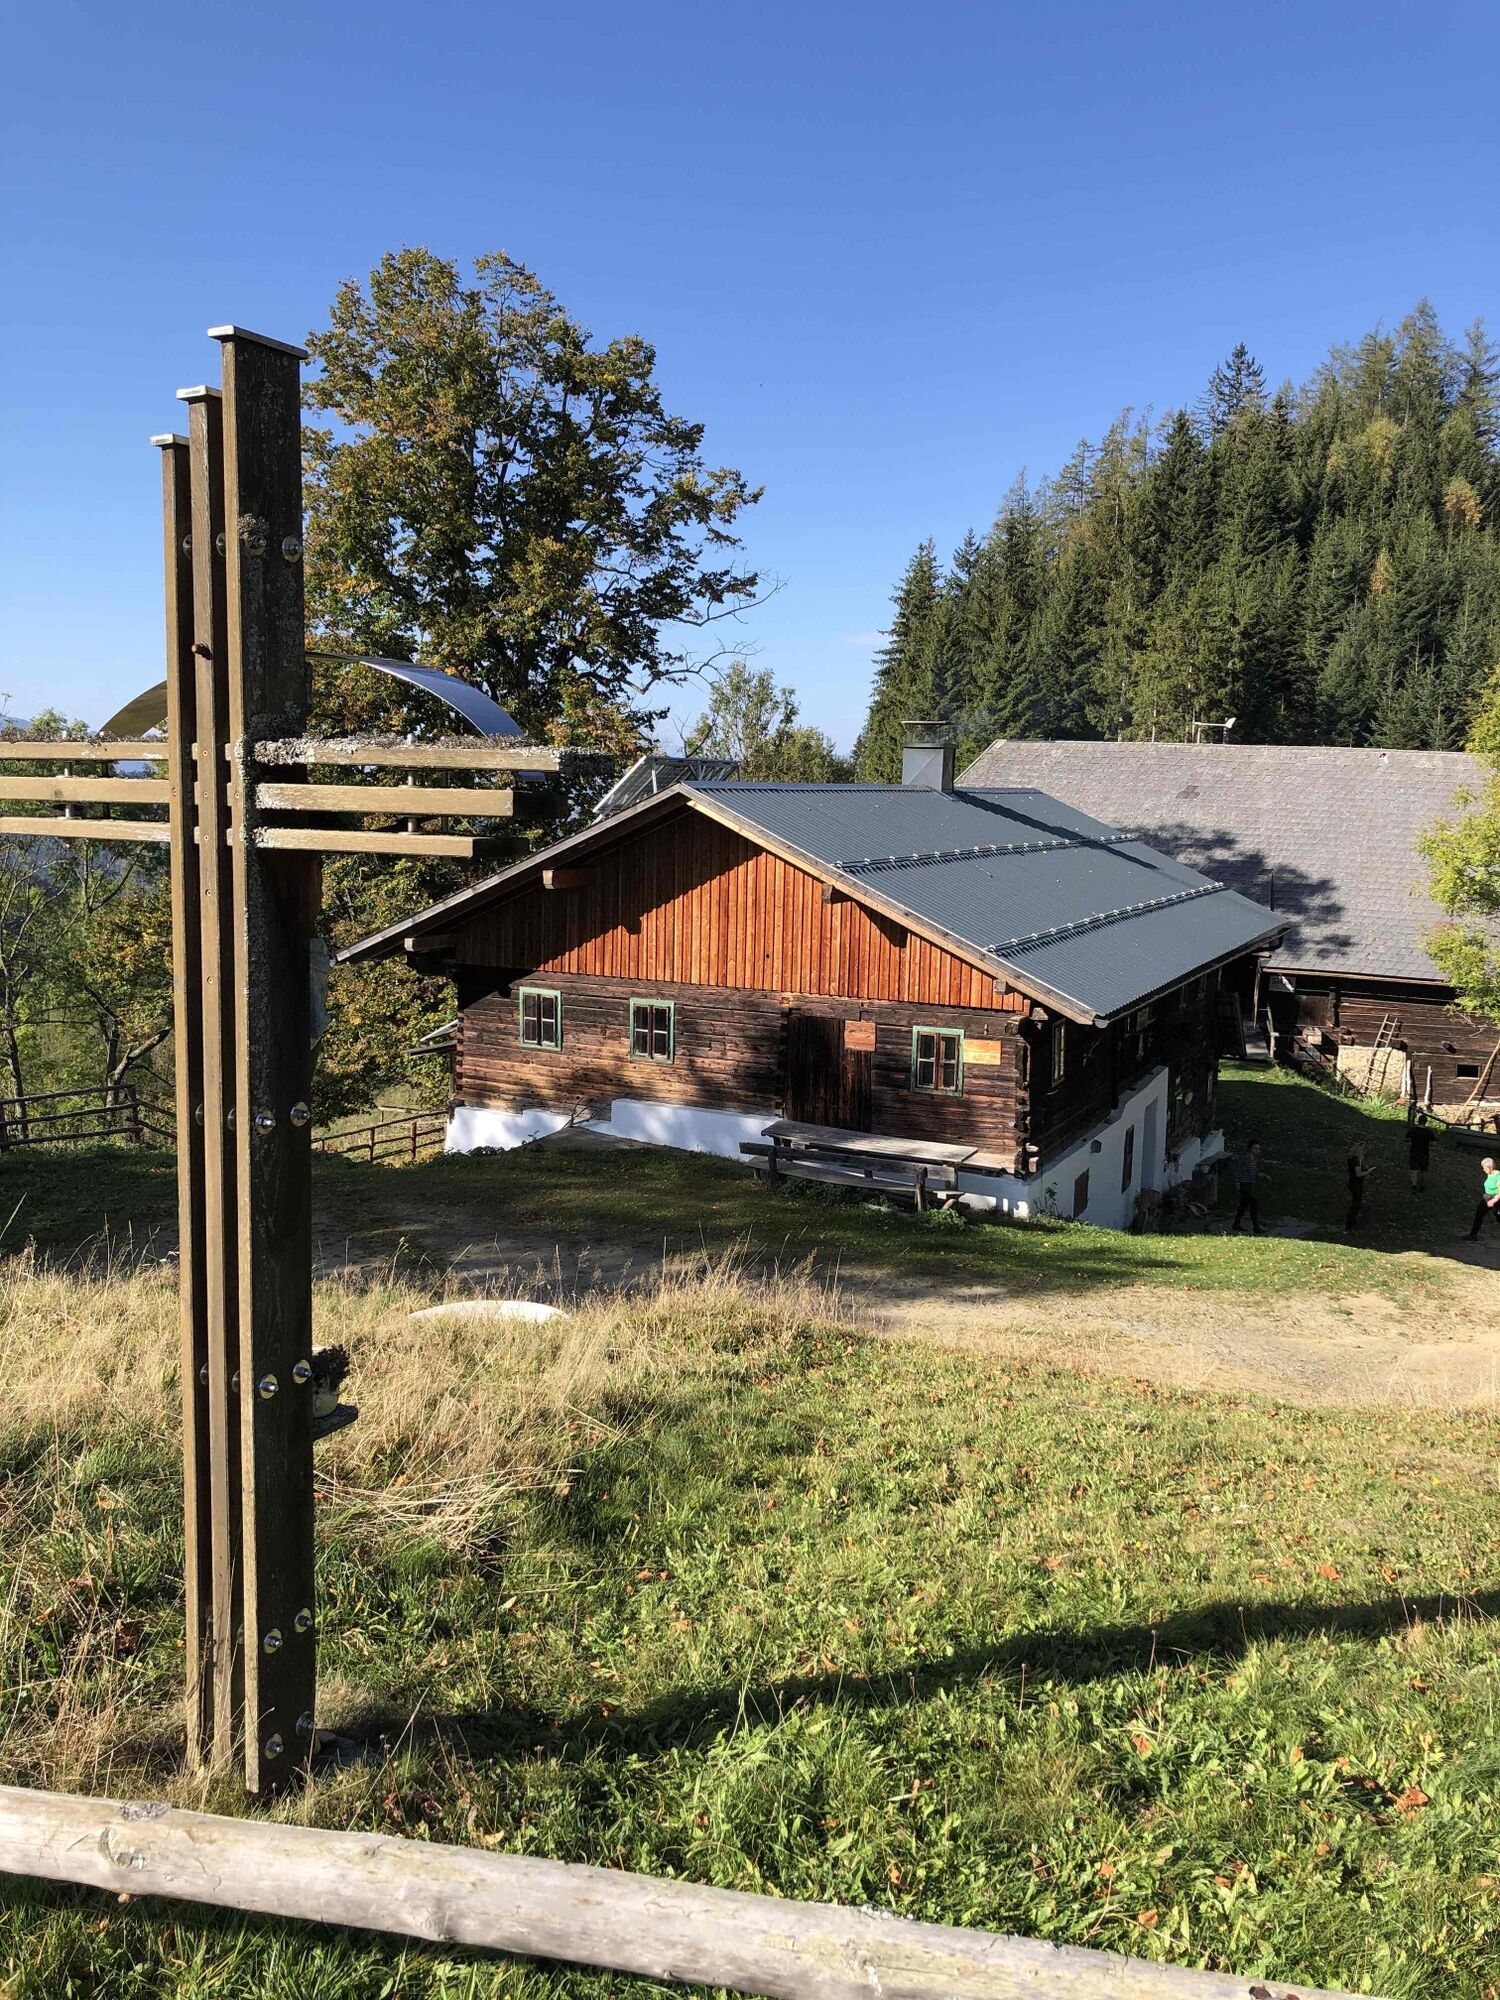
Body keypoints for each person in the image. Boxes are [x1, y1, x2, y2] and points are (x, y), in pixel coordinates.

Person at [1463, 1156, 1500, 1242]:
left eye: (1485, 1168)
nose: (1483, 1170)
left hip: (1496, 1199)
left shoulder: (1498, 1176)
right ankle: (1473, 1236)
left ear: (1490, 1167)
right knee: (1479, 1215)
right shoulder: (1489, 1174)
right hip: (1487, 1197)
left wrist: (1493, 1200)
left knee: (1499, 1218)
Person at [1232, 1139, 1264, 1235]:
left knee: (1244, 1204)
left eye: (1258, 1149)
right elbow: (1237, 1169)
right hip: (1243, 1183)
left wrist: (1262, 1175)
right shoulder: (1244, 1158)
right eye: (1255, 1148)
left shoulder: (1254, 1159)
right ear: (1250, 1148)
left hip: (1250, 1183)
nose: (1257, 1151)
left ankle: (1236, 1223)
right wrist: (1237, 1182)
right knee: (1254, 1202)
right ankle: (1255, 1226)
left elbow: (1255, 1171)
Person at [1345, 1143, 1374, 1230]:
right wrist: (1368, 1171)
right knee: (1356, 1203)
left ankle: (1352, 1220)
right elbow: (1358, 1174)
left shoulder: (1352, 1158)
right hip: (1356, 1183)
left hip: (1354, 1182)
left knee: (1356, 1202)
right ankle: (1350, 1223)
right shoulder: (1356, 1160)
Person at [1407, 1113, 1432, 1194]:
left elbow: (1407, 1138)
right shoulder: (1428, 1132)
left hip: (1414, 1151)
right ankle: (1422, 1186)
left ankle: (1414, 1185)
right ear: (1425, 1122)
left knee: (1413, 1169)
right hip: (1424, 1152)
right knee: (1423, 1170)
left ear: (1418, 1121)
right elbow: (1434, 1142)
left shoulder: (1413, 1130)